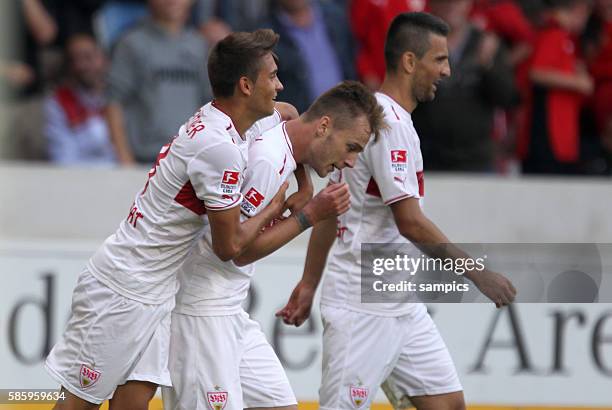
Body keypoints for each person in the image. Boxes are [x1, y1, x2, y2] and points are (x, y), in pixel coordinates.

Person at [45, 29, 309, 410]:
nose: (280, 86)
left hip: (158, 291)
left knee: (133, 402)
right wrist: (282, 208)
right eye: (272, 77)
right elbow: (229, 246)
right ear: (246, 86)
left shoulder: (228, 121)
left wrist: (303, 180)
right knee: (78, 403)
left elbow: (289, 114)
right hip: (124, 289)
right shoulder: (219, 148)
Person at [277, 12, 516, 410]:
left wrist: (308, 282)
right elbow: (411, 223)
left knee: (447, 404)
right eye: (439, 59)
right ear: (409, 61)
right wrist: (478, 273)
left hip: (397, 299)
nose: (446, 69)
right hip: (361, 306)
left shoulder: (372, 119)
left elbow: (334, 207)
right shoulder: (386, 125)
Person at [163, 80, 385, 410]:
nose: (351, 162)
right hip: (201, 313)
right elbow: (236, 251)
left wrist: (304, 182)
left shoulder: (276, 122)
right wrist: (310, 215)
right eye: (351, 147)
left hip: (230, 311)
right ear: (324, 126)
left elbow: (292, 113)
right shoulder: (267, 162)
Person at [105, 0, 212, 165]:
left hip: (190, 161)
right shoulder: (131, 44)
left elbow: (209, 106)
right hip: (145, 160)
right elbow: (113, 103)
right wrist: (125, 160)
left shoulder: (200, 46)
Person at [44, 33, 116, 165]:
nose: (81, 66)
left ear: (104, 59)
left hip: (123, 177)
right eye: (74, 60)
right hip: (76, 179)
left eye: (88, 57)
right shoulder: (58, 102)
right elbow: (62, 159)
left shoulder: (120, 96)